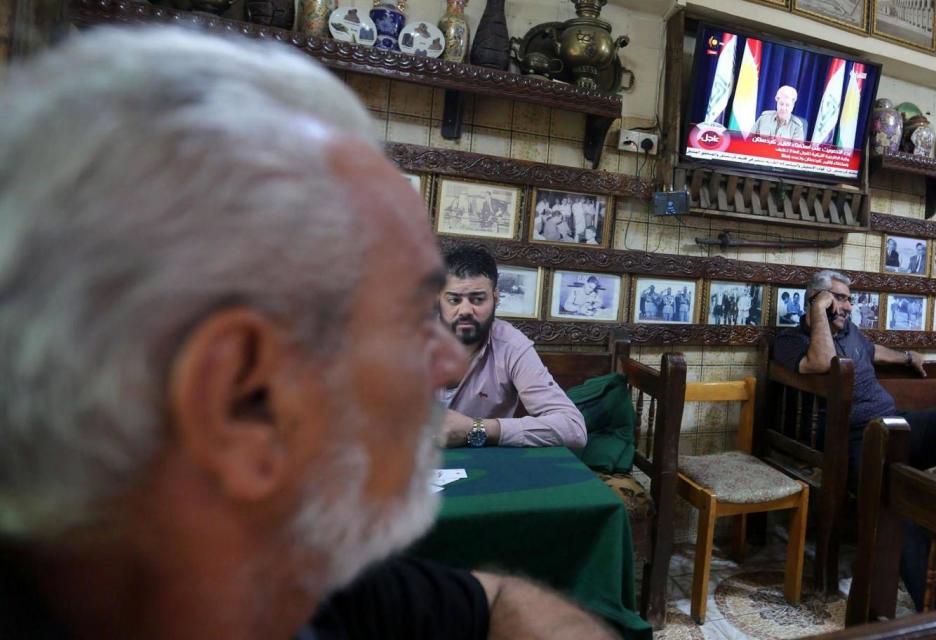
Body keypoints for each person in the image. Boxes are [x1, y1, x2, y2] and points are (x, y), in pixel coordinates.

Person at [0, 27, 616, 640]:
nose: (447, 365)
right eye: (406, 318)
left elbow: (495, 598)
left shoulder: (288, 572)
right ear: (239, 394)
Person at [773, 270, 936, 611]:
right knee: (898, 503)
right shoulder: (791, 341)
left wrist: (906, 357)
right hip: (856, 440)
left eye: (847, 299)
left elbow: (872, 351)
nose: (847, 306)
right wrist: (820, 313)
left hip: (898, 425)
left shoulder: (851, 332)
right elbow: (822, 362)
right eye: (838, 298)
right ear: (817, 301)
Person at [437, 246, 587, 449]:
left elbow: (573, 429)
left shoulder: (512, 346)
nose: (465, 310)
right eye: (454, 300)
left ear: (496, 299)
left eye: (478, 299)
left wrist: (476, 428)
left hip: (483, 465)